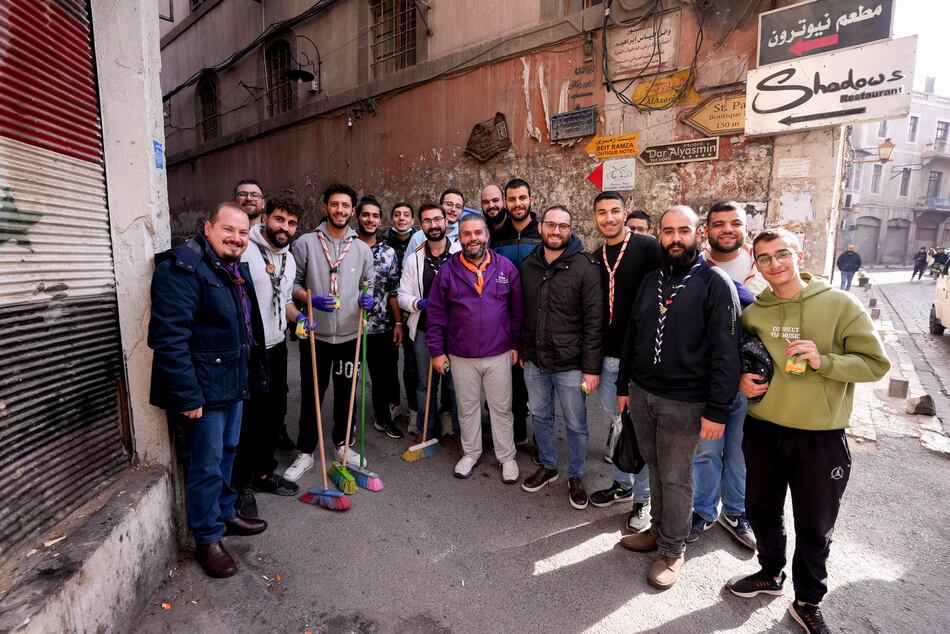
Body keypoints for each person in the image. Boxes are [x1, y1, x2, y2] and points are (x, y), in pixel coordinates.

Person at [728, 228, 890, 634]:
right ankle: (770, 573)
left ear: (799, 255)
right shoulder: (754, 313)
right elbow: (742, 358)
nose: (775, 264)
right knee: (761, 510)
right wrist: (740, 380)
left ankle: (808, 601)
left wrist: (825, 361)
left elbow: (876, 364)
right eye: (764, 258)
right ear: (756, 265)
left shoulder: (840, 304)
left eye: (782, 254)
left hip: (820, 436)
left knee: (815, 524)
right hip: (763, 429)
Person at [616, 205, 740, 590]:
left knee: (675, 477)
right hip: (642, 395)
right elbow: (632, 336)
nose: (675, 238)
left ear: (697, 234)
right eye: (667, 231)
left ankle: (672, 550)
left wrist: (717, 410)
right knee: (654, 468)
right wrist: (623, 386)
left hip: (684, 402)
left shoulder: (715, 283)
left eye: (683, 230)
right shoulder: (650, 280)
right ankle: (657, 531)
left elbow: (726, 353)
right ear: (659, 235)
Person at [148, 202, 268, 578]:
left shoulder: (231, 266)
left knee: (228, 453)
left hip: (232, 382)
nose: (236, 238)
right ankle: (207, 538)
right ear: (208, 227)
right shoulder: (183, 267)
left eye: (243, 232)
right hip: (203, 389)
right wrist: (187, 395)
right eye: (228, 229)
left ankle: (225, 512)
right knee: (205, 464)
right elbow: (169, 338)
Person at [687, 201, 768, 549]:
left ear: (746, 228)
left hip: (750, 383)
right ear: (707, 230)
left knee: (739, 453)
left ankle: (735, 511)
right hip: (709, 381)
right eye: (719, 224)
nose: (727, 230)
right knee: (706, 451)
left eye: (735, 223)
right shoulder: (695, 266)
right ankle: (703, 511)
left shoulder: (765, 265)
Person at [283, 184, 375, 482]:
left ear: (352, 210)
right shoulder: (306, 243)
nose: (340, 210)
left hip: (350, 336)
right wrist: (309, 299)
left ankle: (343, 445)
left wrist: (367, 299)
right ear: (326, 207)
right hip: (316, 336)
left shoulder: (362, 249)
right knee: (312, 394)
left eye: (345, 205)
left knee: (347, 394)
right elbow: (292, 286)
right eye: (335, 204)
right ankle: (306, 451)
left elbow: (369, 284)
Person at [426, 214, 523, 480]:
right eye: (467, 234)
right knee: (467, 408)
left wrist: (515, 344)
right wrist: (436, 351)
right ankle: (470, 453)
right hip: (461, 354)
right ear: (459, 238)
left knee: (501, 409)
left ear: (487, 235)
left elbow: (517, 312)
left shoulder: (505, 268)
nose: (473, 239)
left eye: (478, 233)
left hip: (499, 352)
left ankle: (507, 457)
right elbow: (435, 314)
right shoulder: (448, 271)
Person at [586, 192, 662, 533]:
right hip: (607, 358)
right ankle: (622, 484)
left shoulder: (648, 248)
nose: (609, 218)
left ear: (624, 213)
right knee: (617, 426)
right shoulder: (595, 256)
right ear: (595, 218)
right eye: (602, 212)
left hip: (642, 358)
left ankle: (643, 499)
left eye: (615, 211)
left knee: (640, 430)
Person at [519, 205, 603, 510]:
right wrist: (523, 348)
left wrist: (591, 369)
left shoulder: (586, 266)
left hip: (571, 364)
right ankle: (548, 465)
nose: (556, 231)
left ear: (570, 229)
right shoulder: (529, 264)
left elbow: (594, 321)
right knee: (540, 416)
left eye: (563, 226)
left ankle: (576, 475)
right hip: (535, 360)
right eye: (551, 225)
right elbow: (523, 312)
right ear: (541, 227)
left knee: (575, 424)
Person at [232, 196, 302, 519]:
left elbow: (285, 300)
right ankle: (242, 484)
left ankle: (263, 472)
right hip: (249, 349)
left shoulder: (288, 257)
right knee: (248, 420)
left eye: (291, 223)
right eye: (279, 219)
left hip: (276, 346)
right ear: (265, 218)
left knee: (272, 416)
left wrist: (299, 318)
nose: (284, 228)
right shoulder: (245, 250)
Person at [398, 203, 461, 438]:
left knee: (455, 385)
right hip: (424, 330)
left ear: (446, 221)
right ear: (421, 225)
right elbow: (402, 295)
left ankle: (461, 434)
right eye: (427, 221)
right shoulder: (414, 259)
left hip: (456, 333)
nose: (433, 225)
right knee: (426, 385)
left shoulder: (460, 254)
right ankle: (427, 432)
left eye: (437, 219)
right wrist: (419, 303)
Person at [490, 178, 542, 445]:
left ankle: (543, 441)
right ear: (505, 203)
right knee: (511, 379)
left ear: (531, 199)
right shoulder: (497, 237)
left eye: (522, 198)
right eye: (512, 199)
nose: (517, 203)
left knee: (540, 382)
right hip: (506, 318)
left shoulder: (543, 233)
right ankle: (517, 432)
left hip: (539, 317)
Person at [356, 195, 405, 439]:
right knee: (349, 379)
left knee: (383, 379)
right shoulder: (348, 248)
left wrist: (398, 323)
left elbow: (393, 290)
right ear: (358, 217)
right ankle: (346, 427)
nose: (370, 219)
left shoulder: (388, 252)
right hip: (351, 328)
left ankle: (382, 419)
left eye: (375, 216)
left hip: (382, 327)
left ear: (380, 220)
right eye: (366, 214)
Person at [380, 201, 419, 425]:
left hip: (412, 307)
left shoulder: (419, 240)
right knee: (389, 360)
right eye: (397, 214)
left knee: (412, 363)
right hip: (389, 309)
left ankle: (415, 407)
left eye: (406, 215)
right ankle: (392, 402)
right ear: (392, 218)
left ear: (412, 220)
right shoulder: (383, 241)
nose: (401, 218)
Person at [406, 188, 467, 252]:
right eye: (449, 204)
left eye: (458, 207)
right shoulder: (418, 237)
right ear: (440, 206)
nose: (453, 209)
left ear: (462, 211)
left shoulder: (467, 236)